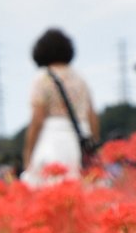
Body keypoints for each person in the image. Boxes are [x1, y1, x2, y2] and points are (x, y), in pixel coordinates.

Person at [21, 28, 100, 188]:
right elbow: (91, 114)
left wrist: (28, 153)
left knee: (50, 187)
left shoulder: (43, 79)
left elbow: (37, 120)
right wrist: (93, 146)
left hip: (53, 140)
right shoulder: (80, 79)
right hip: (80, 137)